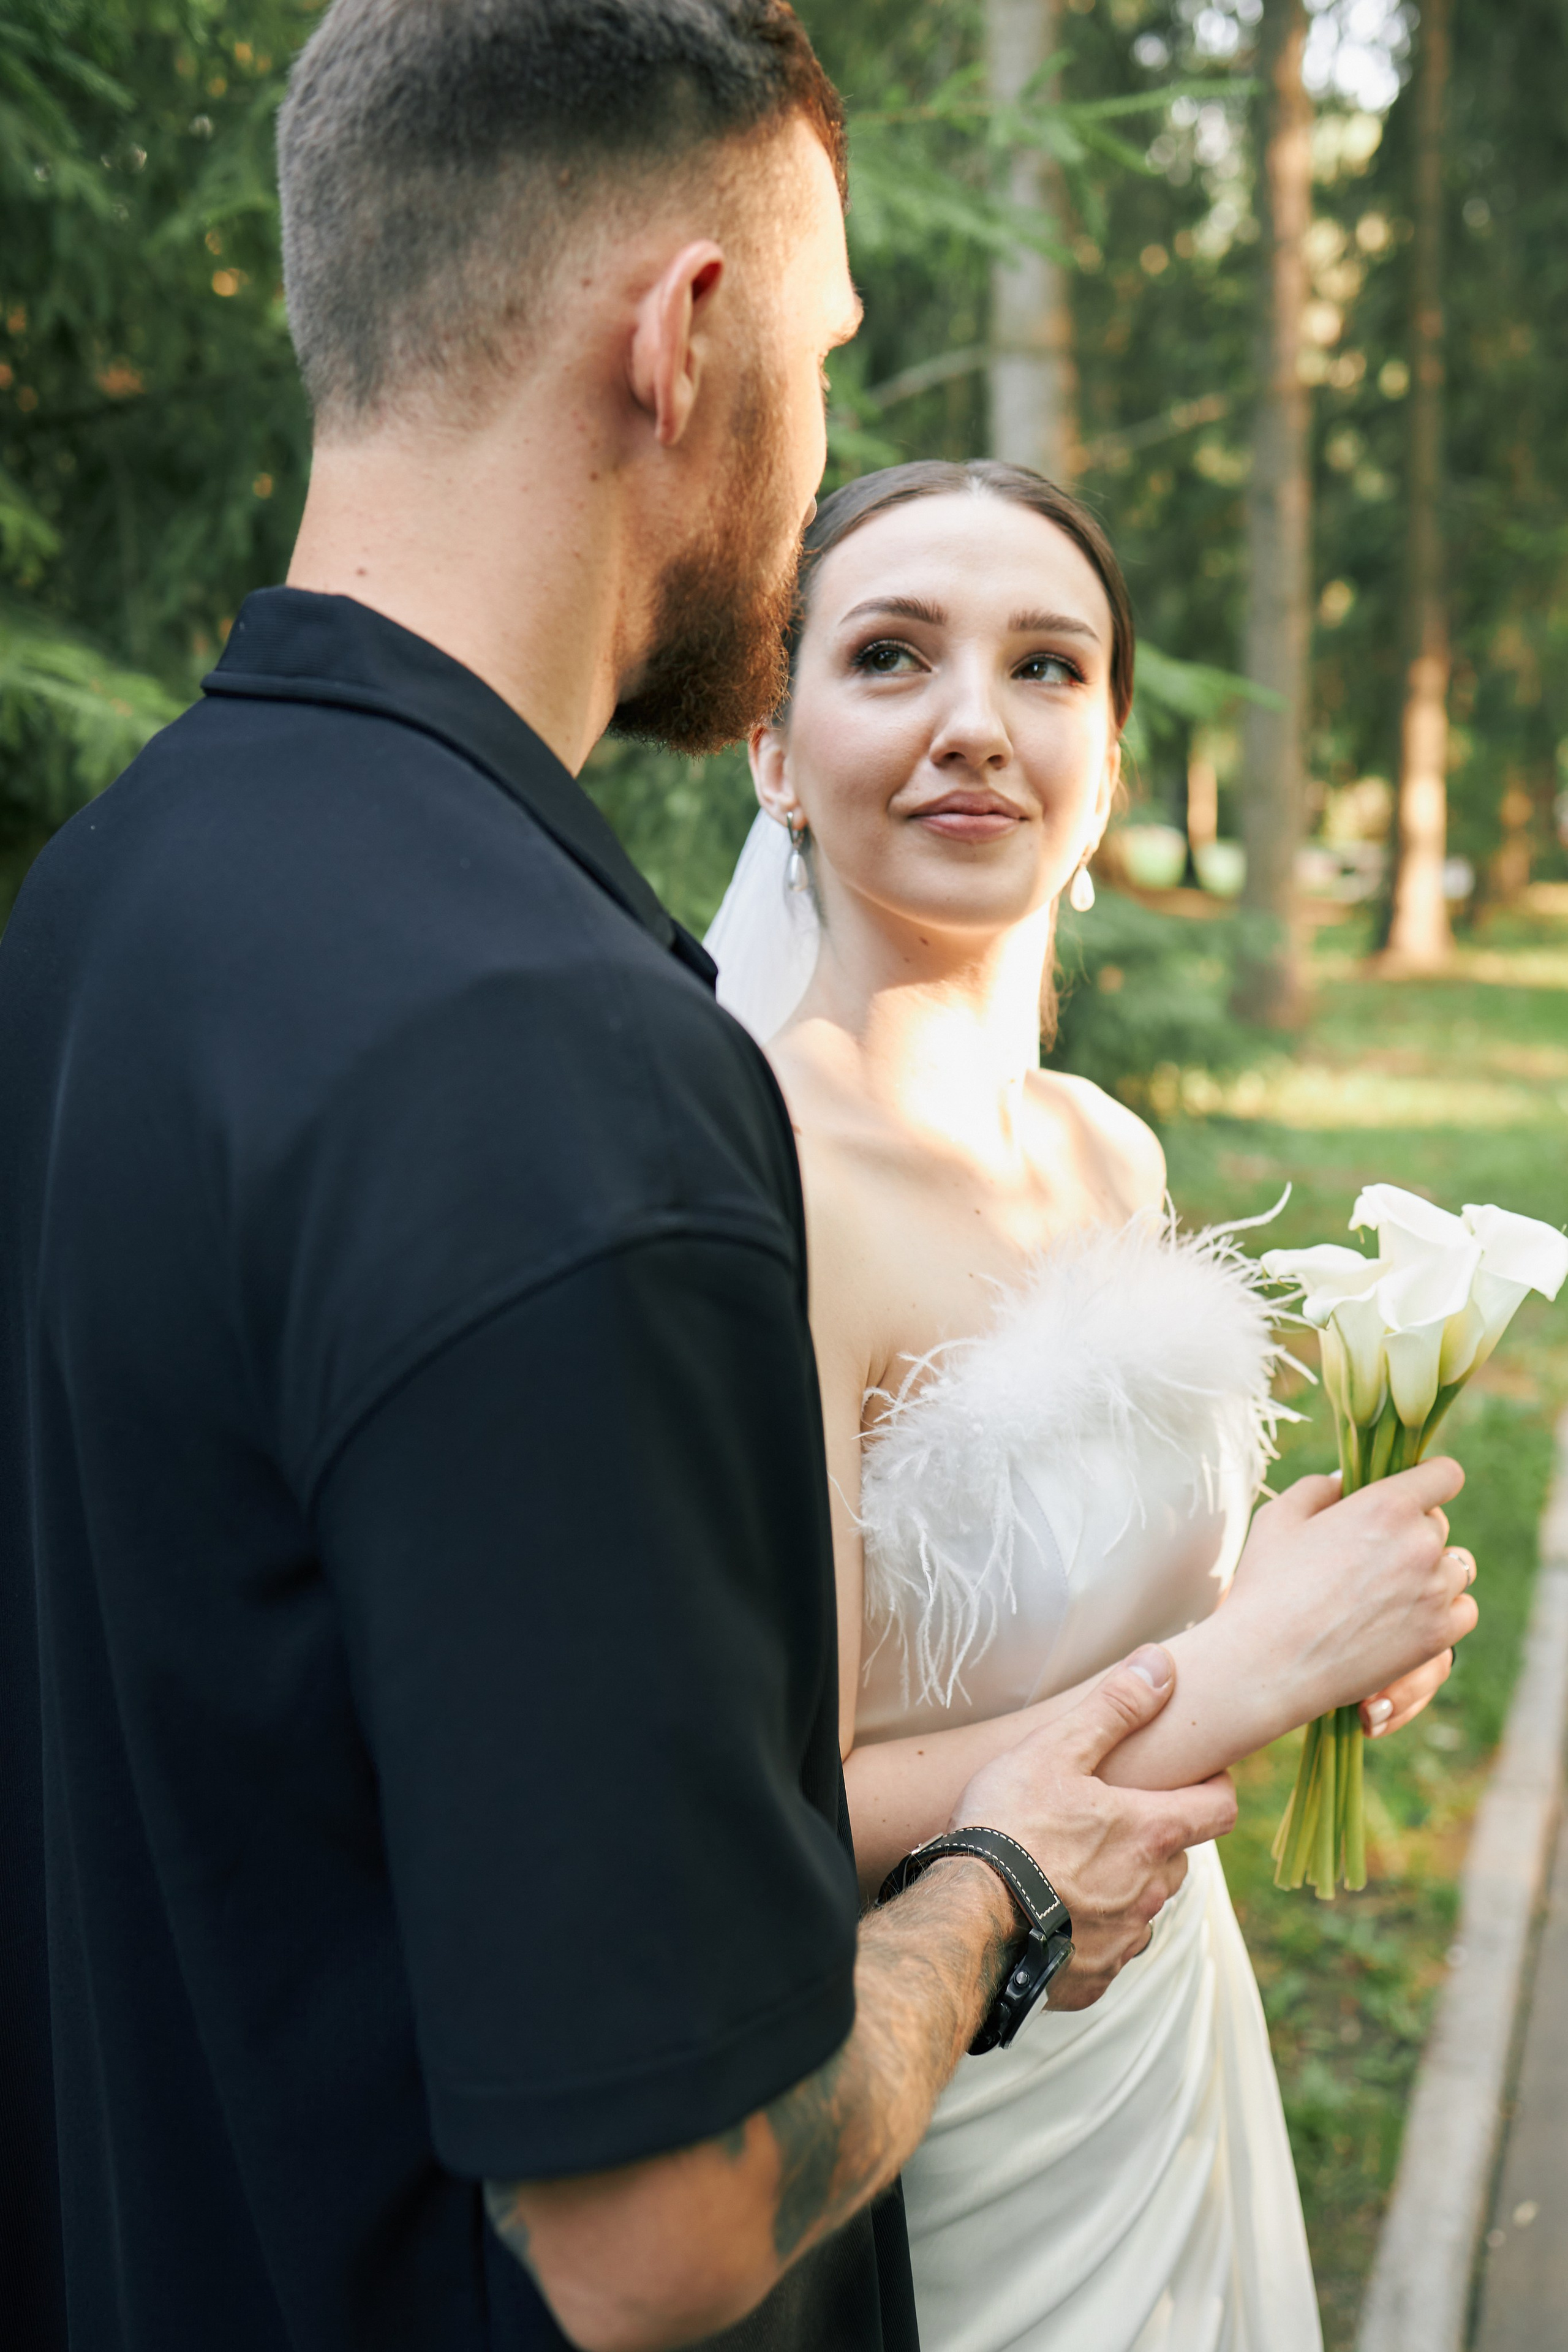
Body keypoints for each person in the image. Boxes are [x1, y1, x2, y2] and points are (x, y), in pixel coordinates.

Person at [0, 13, 1245, 2352]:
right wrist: (998, 1889)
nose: (815, 482)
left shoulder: (108, 898)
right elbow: (657, 2233)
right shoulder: (560, 1072)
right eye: (823, 351)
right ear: (684, 340)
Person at [706, 459, 1479, 2351]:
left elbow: (1102, 1622)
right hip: (938, 2096)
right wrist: (1240, 1684)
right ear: (776, 755)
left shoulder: (1107, 1149)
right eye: (893, 656)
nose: (977, 722)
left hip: (1168, 2042)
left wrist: (1316, 1613)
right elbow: (766, 1800)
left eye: (1048, 669)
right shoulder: (750, 1179)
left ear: (1112, 761)